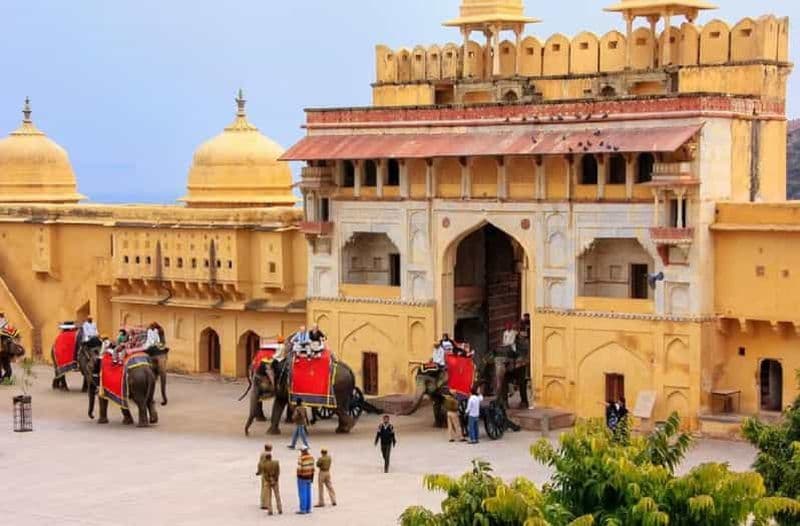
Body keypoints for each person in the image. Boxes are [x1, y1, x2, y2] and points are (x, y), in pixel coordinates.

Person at [256, 444, 282, 515]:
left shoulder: (262, 454)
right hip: (269, 476)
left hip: (265, 475)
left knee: (264, 489)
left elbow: (260, 463)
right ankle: (278, 508)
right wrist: (275, 479)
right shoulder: (269, 456)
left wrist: (259, 471)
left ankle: (264, 503)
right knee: (275, 494)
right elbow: (277, 471)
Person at [296, 447, 315, 515]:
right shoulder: (311, 457)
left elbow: (299, 469)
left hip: (302, 477)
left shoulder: (301, 458)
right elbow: (313, 468)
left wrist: (298, 476)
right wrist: (312, 477)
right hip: (309, 476)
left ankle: (303, 509)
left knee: (302, 493)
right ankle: (308, 508)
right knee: (308, 492)